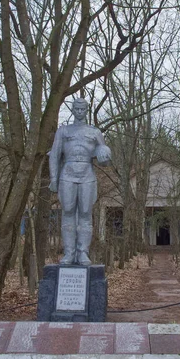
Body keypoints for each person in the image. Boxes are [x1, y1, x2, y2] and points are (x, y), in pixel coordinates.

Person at [49, 97, 111, 266]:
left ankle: (83, 251)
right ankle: (69, 253)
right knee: (67, 212)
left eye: (82, 109)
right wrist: (53, 178)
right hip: (67, 173)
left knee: (85, 213)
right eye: (76, 109)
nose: (79, 112)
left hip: (87, 174)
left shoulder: (94, 132)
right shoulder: (63, 131)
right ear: (72, 110)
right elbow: (54, 155)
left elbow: (103, 155)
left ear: (87, 110)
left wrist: (104, 155)